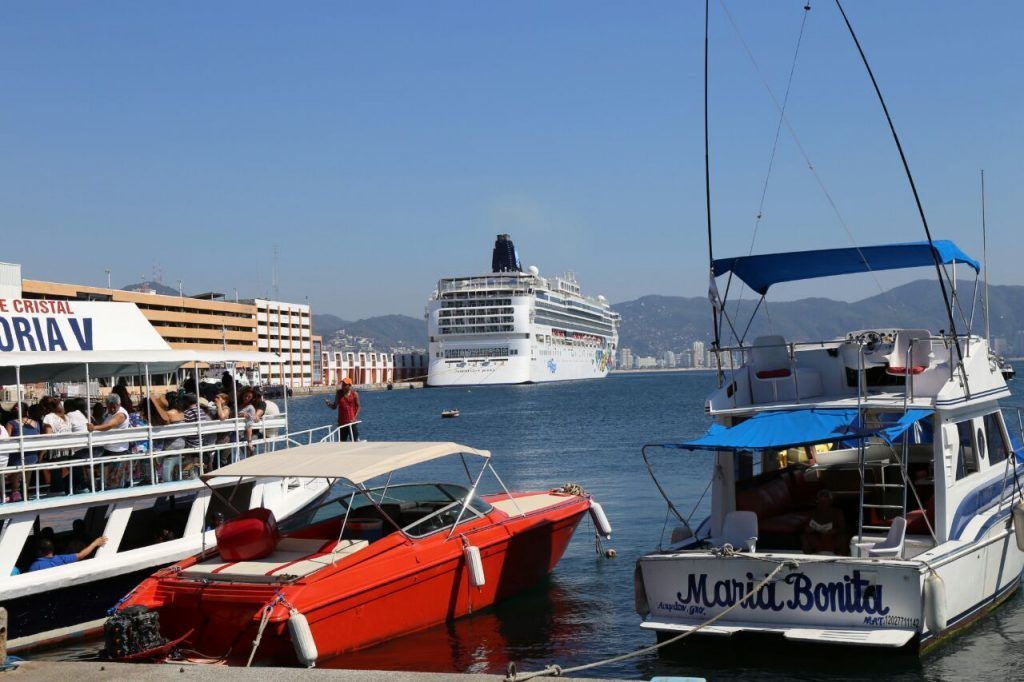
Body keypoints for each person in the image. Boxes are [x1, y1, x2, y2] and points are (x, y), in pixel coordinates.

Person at [87, 394, 132, 488]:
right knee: (108, 480)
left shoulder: (121, 414)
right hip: (108, 449)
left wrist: (94, 427)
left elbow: (109, 425)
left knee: (115, 481)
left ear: (118, 404)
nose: (111, 409)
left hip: (118, 451)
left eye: (114, 407)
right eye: (109, 407)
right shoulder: (110, 414)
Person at [801, 489, 848, 555]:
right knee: (805, 537)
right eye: (821, 501)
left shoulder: (837, 512)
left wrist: (834, 531)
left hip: (832, 537)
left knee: (843, 538)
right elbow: (806, 526)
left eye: (825, 501)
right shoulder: (813, 512)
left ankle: (840, 558)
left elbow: (843, 528)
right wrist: (808, 529)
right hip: (817, 537)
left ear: (830, 501)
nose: (823, 504)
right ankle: (809, 557)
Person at [28, 535, 107, 572]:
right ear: (53, 549)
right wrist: (95, 543)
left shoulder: (35, 566)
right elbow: (81, 555)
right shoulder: (62, 559)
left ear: (39, 551)